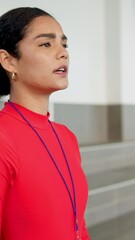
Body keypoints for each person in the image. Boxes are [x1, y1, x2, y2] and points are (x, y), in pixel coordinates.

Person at [0, 7, 90, 240]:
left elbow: (79, 225)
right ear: (8, 61)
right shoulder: (3, 137)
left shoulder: (66, 136)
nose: (63, 53)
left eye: (64, 44)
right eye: (46, 44)